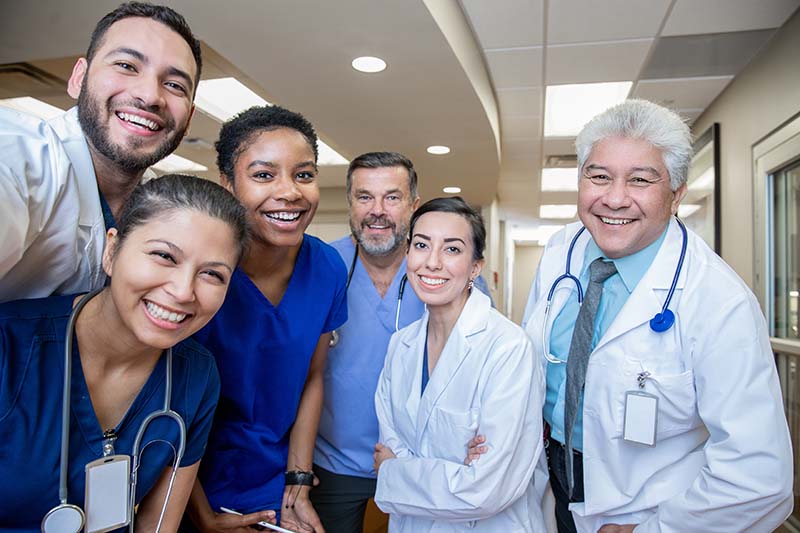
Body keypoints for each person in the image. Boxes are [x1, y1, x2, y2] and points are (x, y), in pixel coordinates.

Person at [522, 99, 793, 532]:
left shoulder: (719, 302)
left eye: (640, 180)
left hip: (644, 509)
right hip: (553, 482)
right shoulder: (561, 250)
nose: (614, 198)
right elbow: (533, 365)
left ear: (676, 194)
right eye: (599, 176)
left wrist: (656, 530)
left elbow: (759, 475)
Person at [0, 174, 248, 531]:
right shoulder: (10, 345)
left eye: (212, 274)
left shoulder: (196, 375)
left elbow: (158, 524)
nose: (183, 291)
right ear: (112, 251)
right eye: (164, 256)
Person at [185, 106, 348, 532]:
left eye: (304, 174)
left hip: (275, 481)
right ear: (228, 183)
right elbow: (163, 399)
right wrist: (202, 514)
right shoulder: (199, 266)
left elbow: (313, 378)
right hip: (187, 481)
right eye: (263, 175)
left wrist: (297, 482)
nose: (289, 191)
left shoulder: (327, 266)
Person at [311, 153, 493, 532]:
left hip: (427, 464)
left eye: (392, 198)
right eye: (364, 197)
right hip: (334, 466)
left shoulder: (447, 274)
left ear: (413, 205)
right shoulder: (323, 265)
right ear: (350, 203)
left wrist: (485, 436)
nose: (377, 211)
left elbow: (483, 367)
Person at [0, 1, 200, 303]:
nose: (149, 96)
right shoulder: (23, 155)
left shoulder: (158, 203)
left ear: (189, 120)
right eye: (126, 66)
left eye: (174, 85)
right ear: (79, 78)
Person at [371, 196, 547, 532]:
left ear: (475, 267)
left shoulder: (508, 349)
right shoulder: (401, 345)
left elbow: (487, 488)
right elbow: (388, 445)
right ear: (408, 253)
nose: (432, 262)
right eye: (421, 245)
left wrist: (397, 472)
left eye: (452, 249)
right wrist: (452, 467)